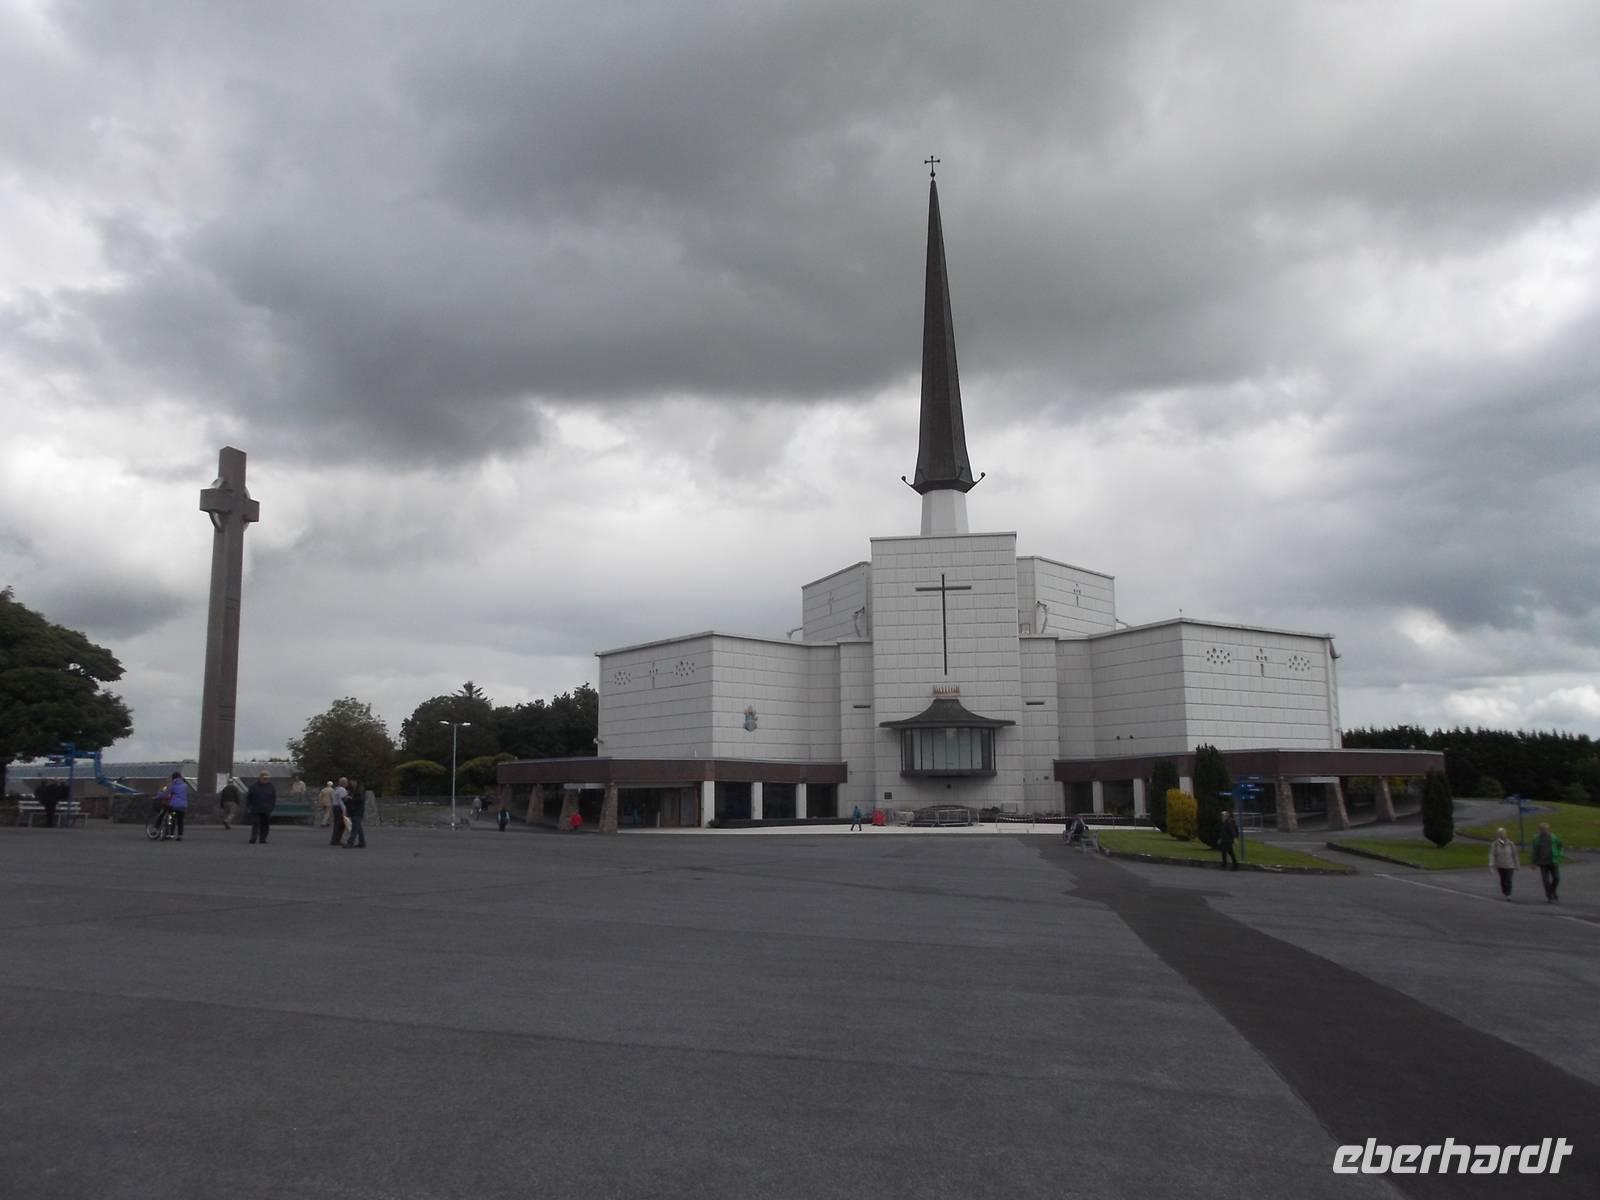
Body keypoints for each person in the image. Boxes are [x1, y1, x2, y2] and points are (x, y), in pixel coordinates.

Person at [1531, 821, 1564, 903]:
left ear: (1548, 829)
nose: (1544, 831)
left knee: (1556, 878)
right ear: (1539, 830)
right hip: (1543, 863)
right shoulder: (1537, 839)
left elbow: (1560, 846)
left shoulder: (1553, 837)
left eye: (1545, 829)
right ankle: (1549, 896)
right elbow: (1535, 851)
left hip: (1553, 861)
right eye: (1542, 829)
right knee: (1545, 880)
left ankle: (1552, 891)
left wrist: (1559, 855)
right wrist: (1534, 862)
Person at [246, 770, 277, 844]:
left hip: (266, 809)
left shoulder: (271, 786)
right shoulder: (254, 786)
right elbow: (249, 797)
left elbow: (274, 797)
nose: (265, 779)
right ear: (260, 777)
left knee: (265, 825)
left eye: (266, 778)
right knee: (255, 824)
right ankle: (253, 838)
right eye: (264, 778)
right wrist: (248, 806)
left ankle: (263, 839)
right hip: (256, 809)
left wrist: (271, 807)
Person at [156, 772, 188, 840]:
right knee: (180, 820)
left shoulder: (173, 785)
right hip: (183, 806)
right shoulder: (185, 785)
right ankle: (180, 836)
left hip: (174, 806)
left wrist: (157, 796)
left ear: (173, 778)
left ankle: (164, 830)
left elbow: (165, 794)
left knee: (167, 813)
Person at [1489, 827, 1519, 900]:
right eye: (1500, 834)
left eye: (1503, 834)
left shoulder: (1510, 844)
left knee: (1509, 879)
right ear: (1498, 835)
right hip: (1501, 865)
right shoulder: (1495, 844)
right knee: (1503, 880)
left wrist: (1517, 864)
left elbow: (1515, 854)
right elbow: (1492, 855)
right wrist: (1491, 865)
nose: (1502, 835)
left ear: (1506, 834)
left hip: (1510, 865)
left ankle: (1508, 894)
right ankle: (1505, 891)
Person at [344, 778, 367, 848]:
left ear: (356, 782)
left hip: (357, 811)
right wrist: (346, 799)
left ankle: (350, 843)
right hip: (354, 810)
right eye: (350, 782)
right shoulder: (353, 790)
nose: (351, 783)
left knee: (354, 828)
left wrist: (351, 799)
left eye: (352, 781)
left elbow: (360, 799)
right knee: (358, 828)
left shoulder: (359, 790)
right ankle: (362, 842)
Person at [329, 777, 349, 846]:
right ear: (344, 783)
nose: (347, 783)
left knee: (337, 824)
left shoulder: (336, 789)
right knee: (340, 825)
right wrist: (344, 810)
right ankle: (336, 840)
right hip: (339, 808)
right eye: (346, 782)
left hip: (335, 807)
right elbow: (342, 801)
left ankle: (335, 839)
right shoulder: (342, 790)